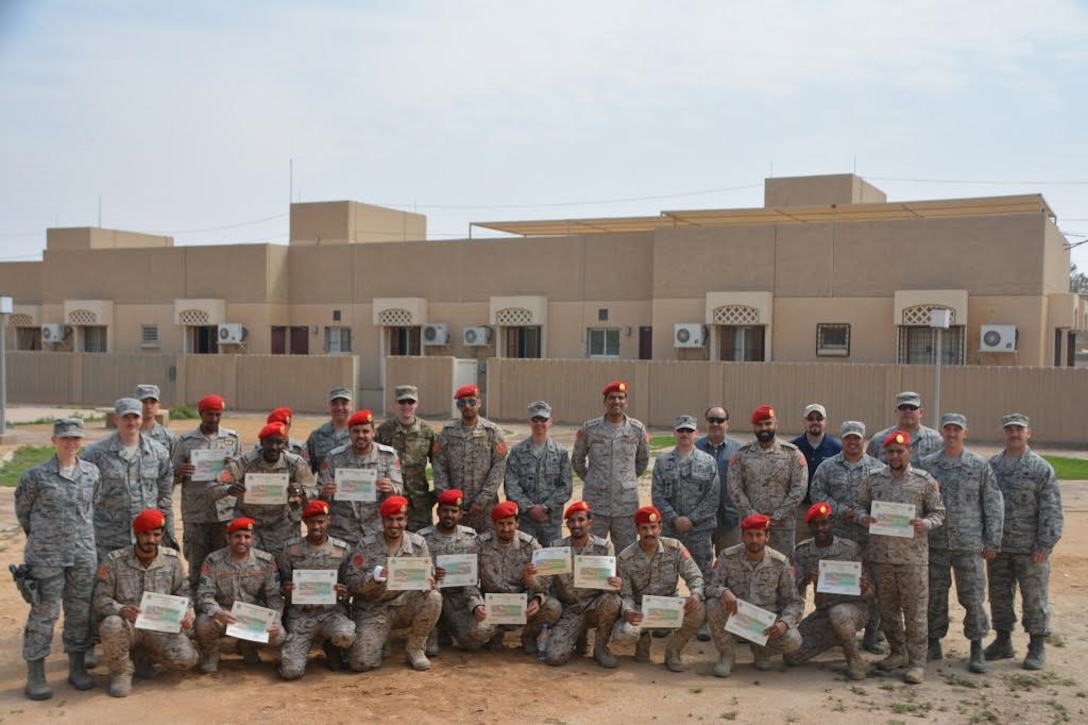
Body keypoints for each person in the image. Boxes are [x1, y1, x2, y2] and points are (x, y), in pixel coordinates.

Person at [15, 418, 99, 699]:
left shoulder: (92, 473)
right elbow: (24, 514)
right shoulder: (35, 476)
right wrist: (44, 540)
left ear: (81, 441)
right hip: (46, 557)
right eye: (64, 438)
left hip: (82, 554)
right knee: (44, 614)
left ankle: (76, 668)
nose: (70, 443)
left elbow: (91, 509)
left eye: (75, 438)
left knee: (79, 612)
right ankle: (36, 674)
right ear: (53, 440)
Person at [856, 430, 945, 684]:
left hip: (912, 559)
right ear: (885, 454)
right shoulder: (873, 479)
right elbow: (859, 505)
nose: (895, 456)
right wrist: (864, 518)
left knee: (915, 612)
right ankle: (897, 652)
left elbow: (939, 512)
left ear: (910, 452)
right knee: (888, 610)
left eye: (900, 451)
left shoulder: (923, 481)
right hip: (881, 558)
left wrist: (925, 523)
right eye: (890, 452)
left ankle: (916, 662)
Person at [917, 413, 1004, 672]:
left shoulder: (979, 465)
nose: (952, 433)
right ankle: (933, 641)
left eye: (958, 429)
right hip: (936, 543)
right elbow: (919, 503)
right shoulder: (928, 465)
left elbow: (992, 503)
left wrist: (993, 540)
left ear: (965, 433)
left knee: (973, 597)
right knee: (934, 595)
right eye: (948, 429)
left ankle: (976, 646)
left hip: (969, 544)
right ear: (941, 432)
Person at [984, 413, 1063, 671]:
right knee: (999, 596)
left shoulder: (1040, 468)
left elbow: (1051, 510)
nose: (1014, 433)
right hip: (999, 546)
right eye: (1010, 429)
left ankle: (1036, 645)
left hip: (1030, 549)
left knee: (1034, 598)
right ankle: (1003, 640)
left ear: (1028, 433)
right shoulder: (993, 466)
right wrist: (987, 539)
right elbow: (985, 504)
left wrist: (1044, 545)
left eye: (1019, 429)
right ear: (1003, 433)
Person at [93, 509, 199, 698]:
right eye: (146, 534)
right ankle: (121, 671)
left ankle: (143, 657)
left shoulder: (172, 560)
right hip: (128, 625)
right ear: (136, 533)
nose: (151, 539)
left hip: (159, 625)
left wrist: (185, 611)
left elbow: (183, 591)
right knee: (111, 624)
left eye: (156, 534)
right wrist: (122, 610)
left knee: (187, 659)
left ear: (163, 534)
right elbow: (100, 600)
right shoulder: (114, 561)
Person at [810, 420, 886, 654]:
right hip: (838, 538)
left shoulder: (878, 469)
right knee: (831, 584)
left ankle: (872, 633)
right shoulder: (827, 466)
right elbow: (817, 493)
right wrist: (842, 511)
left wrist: (865, 515)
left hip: (868, 537)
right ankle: (831, 629)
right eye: (848, 438)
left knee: (871, 585)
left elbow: (885, 500)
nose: (853, 442)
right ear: (841, 440)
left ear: (864, 440)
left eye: (857, 437)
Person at [344, 495, 442, 671]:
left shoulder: (418, 544)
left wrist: (429, 583)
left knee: (433, 598)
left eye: (399, 520)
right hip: (373, 609)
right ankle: (382, 639)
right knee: (362, 663)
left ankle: (416, 648)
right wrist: (372, 579)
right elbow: (351, 582)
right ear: (382, 520)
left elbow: (429, 573)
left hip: (404, 603)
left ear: (406, 520)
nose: (395, 525)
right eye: (390, 520)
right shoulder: (366, 546)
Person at [705, 513, 802, 677]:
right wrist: (724, 591)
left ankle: (761, 651)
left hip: (765, 622)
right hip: (736, 616)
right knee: (713, 604)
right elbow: (709, 587)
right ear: (742, 536)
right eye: (749, 535)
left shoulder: (780, 563)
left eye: (759, 535)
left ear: (767, 537)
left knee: (794, 640)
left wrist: (784, 623)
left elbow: (795, 602)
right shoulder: (727, 557)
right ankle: (727, 655)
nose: (754, 540)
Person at [613, 505, 705, 672]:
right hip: (642, 608)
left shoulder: (675, 548)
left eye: (653, 527)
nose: (650, 532)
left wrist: (695, 594)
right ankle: (642, 640)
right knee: (624, 635)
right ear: (637, 530)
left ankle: (673, 651)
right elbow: (626, 594)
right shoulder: (625, 558)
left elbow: (695, 576)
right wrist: (628, 612)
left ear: (660, 528)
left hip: (670, 606)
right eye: (644, 528)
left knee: (699, 610)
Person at [783, 503, 870, 680]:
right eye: (815, 524)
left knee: (839, 613)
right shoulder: (803, 551)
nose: (820, 528)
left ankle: (853, 659)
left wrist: (865, 587)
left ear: (832, 522)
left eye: (824, 523)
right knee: (791, 655)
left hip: (855, 609)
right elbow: (794, 590)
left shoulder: (850, 548)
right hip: (824, 612)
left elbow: (871, 591)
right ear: (809, 526)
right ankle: (838, 636)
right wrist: (805, 580)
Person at [83, 397, 175, 562]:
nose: (131, 422)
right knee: (107, 587)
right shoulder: (95, 454)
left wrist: (167, 535)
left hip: (146, 540)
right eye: (126, 417)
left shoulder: (158, 453)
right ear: (116, 419)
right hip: (107, 541)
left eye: (135, 417)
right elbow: (83, 498)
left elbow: (165, 498)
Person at [194, 516, 285, 674]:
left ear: (253, 539)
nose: (242, 541)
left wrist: (275, 620)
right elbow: (204, 595)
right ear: (228, 538)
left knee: (278, 636)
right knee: (203, 624)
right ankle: (210, 655)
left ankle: (248, 646)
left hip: (253, 614)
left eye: (247, 536)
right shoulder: (213, 561)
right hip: (225, 613)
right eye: (237, 536)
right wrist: (218, 612)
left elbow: (274, 597)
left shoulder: (266, 561)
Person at [277, 500, 356, 680]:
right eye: (312, 522)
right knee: (291, 672)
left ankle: (331, 645)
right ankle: (300, 646)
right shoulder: (290, 550)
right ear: (305, 522)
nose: (316, 526)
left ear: (329, 520)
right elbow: (281, 582)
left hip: (331, 613)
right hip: (301, 615)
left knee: (346, 635)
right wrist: (286, 590)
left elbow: (349, 583)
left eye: (321, 521)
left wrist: (345, 591)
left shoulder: (342, 550)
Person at [172, 394, 243, 594]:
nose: (213, 419)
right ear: (200, 413)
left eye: (217, 415)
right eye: (209, 414)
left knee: (223, 568)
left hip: (224, 513)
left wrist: (232, 470)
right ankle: (197, 616)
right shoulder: (186, 441)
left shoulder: (232, 439)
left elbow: (241, 474)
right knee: (196, 568)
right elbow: (172, 476)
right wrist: (178, 473)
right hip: (196, 514)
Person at [571, 380, 650, 551]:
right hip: (596, 504)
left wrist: (625, 480)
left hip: (625, 506)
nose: (616, 402)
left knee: (626, 552)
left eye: (621, 398)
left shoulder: (637, 430)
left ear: (626, 402)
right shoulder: (590, 429)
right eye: (612, 398)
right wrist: (592, 479)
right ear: (605, 402)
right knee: (591, 550)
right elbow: (577, 460)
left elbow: (642, 461)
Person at [542, 501, 622, 668]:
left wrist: (616, 584)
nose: (576, 524)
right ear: (567, 524)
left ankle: (600, 647)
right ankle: (578, 634)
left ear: (590, 523)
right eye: (571, 521)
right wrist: (530, 577)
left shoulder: (604, 548)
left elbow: (611, 583)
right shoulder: (556, 548)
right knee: (554, 658)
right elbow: (545, 584)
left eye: (581, 520)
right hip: (570, 609)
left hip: (594, 607)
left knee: (612, 600)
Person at [223, 421, 315, 561]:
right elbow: (216, 485)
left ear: (285, 443)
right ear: (261, 442)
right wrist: (229, 489)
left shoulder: (295, 463)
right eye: (269, 442)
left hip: (281, 526)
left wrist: (301, 490)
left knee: (284, 567)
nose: (274, 447)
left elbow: (312, 489)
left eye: (279, 442)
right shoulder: (244, 462)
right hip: (249, 525)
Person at [477, 500, 561, 653]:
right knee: (477, 633)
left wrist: (537, 598)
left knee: (552, 608)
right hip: (492, 604)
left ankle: (529, 636)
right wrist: (477, 605)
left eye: (510, 523)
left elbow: (545, 584)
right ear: (493, 524)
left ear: (517, 523)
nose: (506, 529)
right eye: (501, 524)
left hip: (521, 603)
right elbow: (470, 582)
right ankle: (496, 634)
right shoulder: (481, 545)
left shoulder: (530, 545)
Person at [419, 489, 495, 654]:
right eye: (445, 510)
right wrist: (430, 576)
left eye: (454, 511)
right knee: (432, 600)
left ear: (460, 514)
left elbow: (474, 577)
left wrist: (476, 605)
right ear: (438, 511)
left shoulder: (470, 537)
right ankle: (432, 633)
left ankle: (450, 627)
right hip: (431, 597)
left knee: (474, 641)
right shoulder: (423, 538)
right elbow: (415, 573)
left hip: (459, 598)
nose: (449, 515)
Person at [729, 405, 808, 558]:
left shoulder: (792, 454)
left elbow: (799, 489)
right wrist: (753, 516)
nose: (764, 428)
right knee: (748, 568)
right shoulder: (742, 454)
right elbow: (734, 487)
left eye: (768, 423)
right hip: (750, 528)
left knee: (782, 569)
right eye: (759, 424)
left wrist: (777, 516)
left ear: (775, 424)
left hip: (781, 528)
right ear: (754, 426)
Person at [319, 409, 403, 547]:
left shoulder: (388, 456)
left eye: (365, 431)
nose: (361, 436)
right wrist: (324, 493)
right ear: (349, 433)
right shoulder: (334, 457)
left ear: (373, 433)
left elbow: (399, 491)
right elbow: (319, 495)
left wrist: (390, 489)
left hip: (377, 531)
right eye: (356, 431)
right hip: (342, 532)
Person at [432, 384, 509, 534]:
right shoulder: (447, 432)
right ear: (457, 406)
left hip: (485, 509)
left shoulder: (492, 432)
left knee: (487, 548)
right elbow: (439, 465)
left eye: (472, 402)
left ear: (479, 403)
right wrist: (448, 499)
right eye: (462, 402)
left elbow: (499, 466)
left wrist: (482, 500)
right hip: (454, 509)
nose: (467, 406)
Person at [651, 415, 719, 578]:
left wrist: (691, 519)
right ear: (675, 433)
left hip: (699, 532)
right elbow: (657, 495)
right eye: (681, 430)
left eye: (689, 430)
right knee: (665, 576)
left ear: (696, 434)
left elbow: (713, 496)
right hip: (670, 530)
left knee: (703, 577)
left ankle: (701, 603)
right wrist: (675, 519)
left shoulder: (708, 461)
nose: (685, 434)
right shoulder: (662, 462)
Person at [504, 400, 573, 547]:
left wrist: (545, 507)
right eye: (535, 419)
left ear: (550, 422)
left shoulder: (560, 452)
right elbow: (511, 485)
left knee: (553, 564)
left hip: (551, 521)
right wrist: (530, 508)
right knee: (526, 561)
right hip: (526, 520)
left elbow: (566, 487)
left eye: (543, 419)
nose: (539, 423)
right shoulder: (517, 452)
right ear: (529, 422)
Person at [375, 384, 437, 532]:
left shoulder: (427, 432)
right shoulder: (384, 432)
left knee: (420, 546)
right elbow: (374, 464)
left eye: (411, 402)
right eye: (402, 402)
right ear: (395, 404)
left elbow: (439, 466)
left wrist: (434, 495)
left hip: (420, 504)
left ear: (417, 404)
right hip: (391, 501)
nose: (406, 406)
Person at [694, 405, 743, 556]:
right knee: (701, 566)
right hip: (700, 520)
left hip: (730, 519)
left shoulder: (739, 450)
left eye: (720, 420)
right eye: (711, 420)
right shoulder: (694, 448)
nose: (715, 424)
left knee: (731, 564)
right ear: (706, 423)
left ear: (727, 424)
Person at [789, 403, 841, 512]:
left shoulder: (837, 448)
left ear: (825, 421)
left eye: (819, 418)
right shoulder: (793, 448)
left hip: (827, 509)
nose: (815, 422)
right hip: (800, 507)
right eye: (810, 419)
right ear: (804, 421)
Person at [866, 392, 942, 464]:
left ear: (921, 412)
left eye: (913, 407)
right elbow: (869, 469)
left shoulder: (936, 440)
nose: (908, 411)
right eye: (903, 407)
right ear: (896, 411)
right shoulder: (878, 440)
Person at [305, 386, 354, 473]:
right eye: (334, 403)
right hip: (324, 485)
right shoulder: (317, 436)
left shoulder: (360, 435)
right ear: (329, 406)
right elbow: (306, 474)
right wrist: (304, 487)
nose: (339, 408)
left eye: (344, 403)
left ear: (351, 406)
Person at [135, 384, 176, 458]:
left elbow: (173, 465)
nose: (148, 406)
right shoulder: (126, 435)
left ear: (158, 406)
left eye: (152, 402)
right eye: (144, 402)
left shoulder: (168, 437)